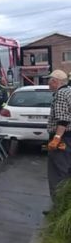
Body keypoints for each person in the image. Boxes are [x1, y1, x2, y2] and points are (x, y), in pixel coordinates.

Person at [46, 69, 71, 201]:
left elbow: (63, 119)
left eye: (49, 81)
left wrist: (56, 138)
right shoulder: (69, 91)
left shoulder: (60, 94)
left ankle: (58, 206)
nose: (48, 84)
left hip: (62, 138)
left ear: (55, 81)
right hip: (69, 138)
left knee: (57, 173)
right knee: (67, 172)